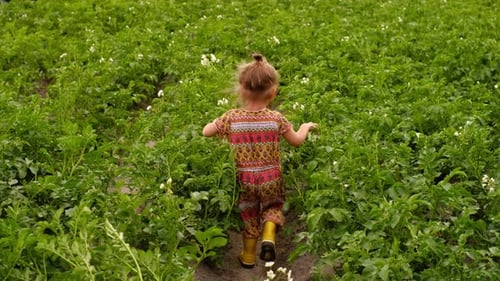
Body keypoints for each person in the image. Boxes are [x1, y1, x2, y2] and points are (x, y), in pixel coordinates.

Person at [202, 53, 317, 268]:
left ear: (241, 89)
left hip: (244, 179)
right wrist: (306, 127)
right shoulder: (276, 118)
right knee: (272, 207)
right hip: (271, 177)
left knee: (249, 214)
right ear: (273, 92)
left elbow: (206, 132)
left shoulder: (231, 117)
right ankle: (269, 234)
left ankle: (247, 257)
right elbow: (297, 141)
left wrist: (218, 122)